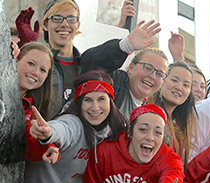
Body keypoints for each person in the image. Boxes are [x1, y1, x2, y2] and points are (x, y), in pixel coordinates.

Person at [16, 0, 162, 118]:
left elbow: (100, 58)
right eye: (57, 18)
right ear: (46, 25)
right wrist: (25, 48)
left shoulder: (87, 63)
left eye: (71, 19)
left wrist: (127, 44)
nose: (64, 24)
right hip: (37, 143)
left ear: (78, 25)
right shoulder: (39, 65)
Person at [23, 70, 128, 183]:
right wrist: (48, 133)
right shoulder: (73, 123)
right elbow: (62, 129)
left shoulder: (114, 133)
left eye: (101, 99)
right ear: (79, 103)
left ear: (111, 101)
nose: (95, 108)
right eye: (88, 100)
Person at [79, 104, 186, 183]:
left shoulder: (167, 158)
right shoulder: (104, 151)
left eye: (158, 132)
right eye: (143, 129)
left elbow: (171, 176)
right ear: (130, 132)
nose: (150, 137)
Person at [17, 41, 61, 163]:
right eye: (31, 64)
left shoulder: (33, 110)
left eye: (43, 70)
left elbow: (28, 148)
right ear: (16, 60)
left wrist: (46, 146)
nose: (36, 72)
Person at [148, 60, 197, 167]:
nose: (179, 88)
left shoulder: (180, 125)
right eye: (174, 80)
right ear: (163, 81)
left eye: (186, 85)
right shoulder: (146, 112)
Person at [110, 47, 168, 118]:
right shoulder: (114, 82)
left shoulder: (148, 114)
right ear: (131, 67)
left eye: (159, 74)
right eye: (148, 68)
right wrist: (126, 45)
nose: (153, 76)